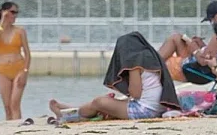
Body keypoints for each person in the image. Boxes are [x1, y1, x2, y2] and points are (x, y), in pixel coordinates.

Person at [49, 31, 179, 122]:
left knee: (99, 102)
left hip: (146, 110)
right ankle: (71, 110)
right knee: (105, 104)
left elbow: (135, 94)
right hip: (159, 107)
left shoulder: (135, 63)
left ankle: (67, 115)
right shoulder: (151, 58)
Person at [0, 2, 31, 121]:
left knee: (14, 104)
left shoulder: (20, 31)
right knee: (7, 106)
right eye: (12, 12)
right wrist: (2, 22)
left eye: (16, 13)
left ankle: (17, 126)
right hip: (3, 70)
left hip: (19, 68)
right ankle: (9, 127)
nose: (15, 15)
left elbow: (27, 53)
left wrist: (25, 71)